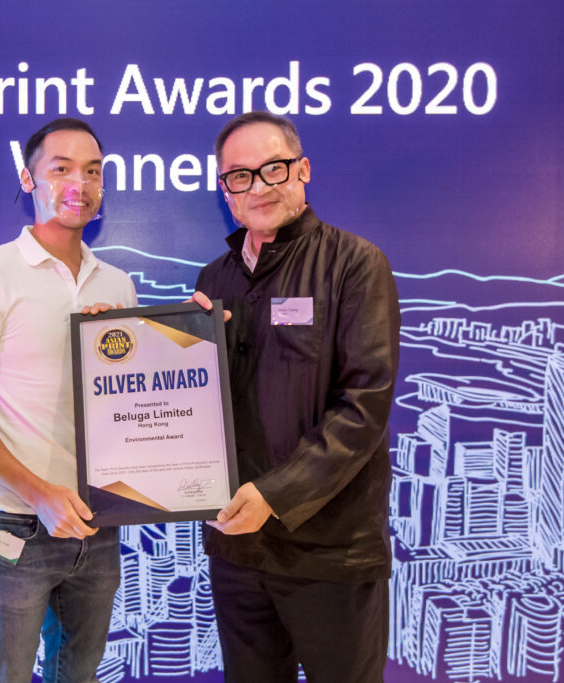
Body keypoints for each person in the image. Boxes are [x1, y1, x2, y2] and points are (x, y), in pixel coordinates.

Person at [192, 111, 400, 683]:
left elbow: (364, 404)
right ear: (225, 190)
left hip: (331, 551)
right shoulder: (213, 281)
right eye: (240, 176)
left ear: (303, 170)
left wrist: (275, 494)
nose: (258, 186)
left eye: (274, 168)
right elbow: (194, 405)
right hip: (236, 547)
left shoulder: (355, 264)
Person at [0, 118, 136, 683]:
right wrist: (40, 494)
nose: (80, 184)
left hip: (97, 525)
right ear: (29, 179)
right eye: (61, 169)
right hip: (13, 523)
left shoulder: (117, 284)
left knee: (79, 675)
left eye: (92, 171)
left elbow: (129, 406)